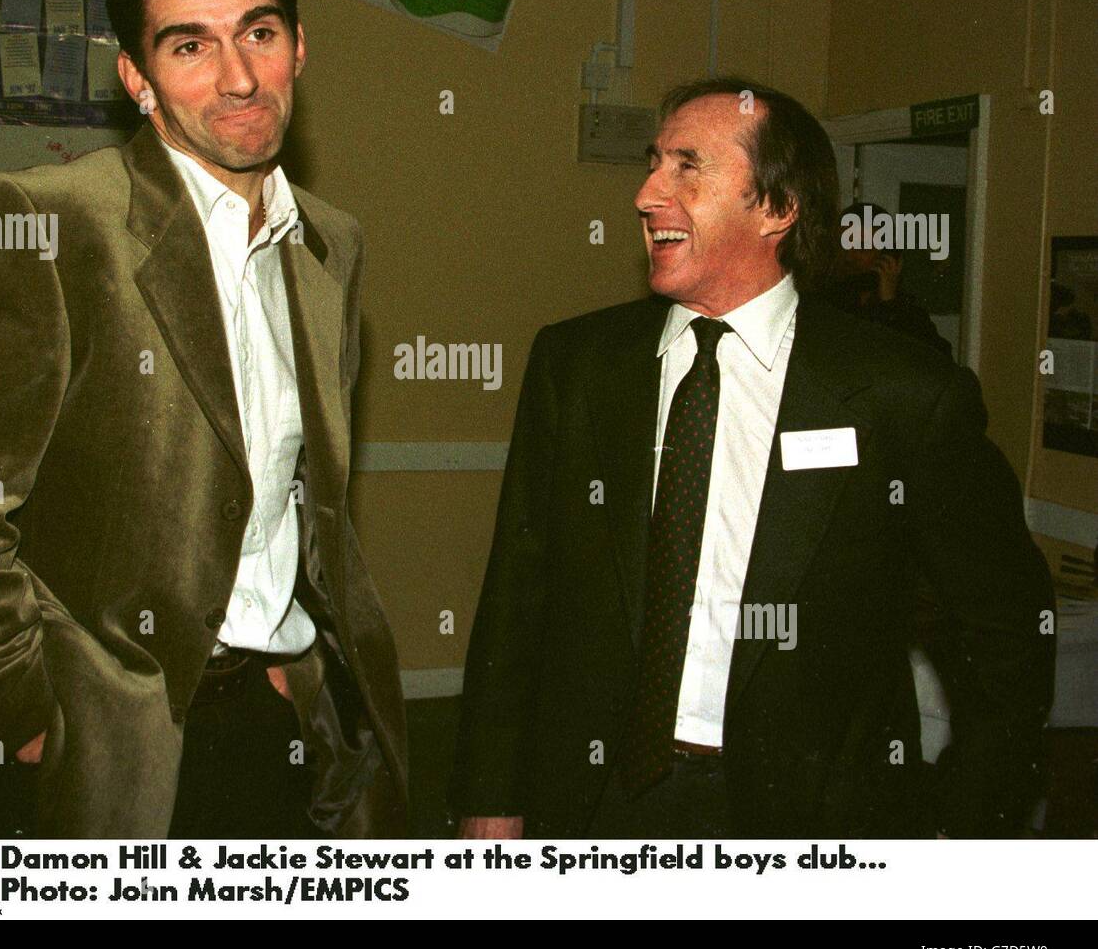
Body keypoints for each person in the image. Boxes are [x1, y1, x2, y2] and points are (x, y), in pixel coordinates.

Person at [0, 0, 406, 839]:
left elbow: (295, 504)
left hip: (282, 716)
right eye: (190, 46)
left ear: (300, 45)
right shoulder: (51, 224)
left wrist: (296, 668)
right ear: (137, 77)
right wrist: (24, 716)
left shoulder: (331, 244)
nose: (240, 78)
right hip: (110, 749)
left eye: (260, 32)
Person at [451, 76, 1055, 839]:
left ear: (776, 207)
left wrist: (965, 830)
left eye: (686, 167)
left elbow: (1007, 634)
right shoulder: (576, 365)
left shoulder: (901, 393)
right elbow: (514, 602)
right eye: (651, 163)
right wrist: (489, 801)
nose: (645, 194)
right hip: (594, 801)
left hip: (807, 820)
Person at [818, 201, 953, 358]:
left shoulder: (906, 314)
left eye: (862, 247)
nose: (849, 257)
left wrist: (890, 304)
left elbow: (936, 362)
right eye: (844, 246)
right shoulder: (820, 303)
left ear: (886, 255)